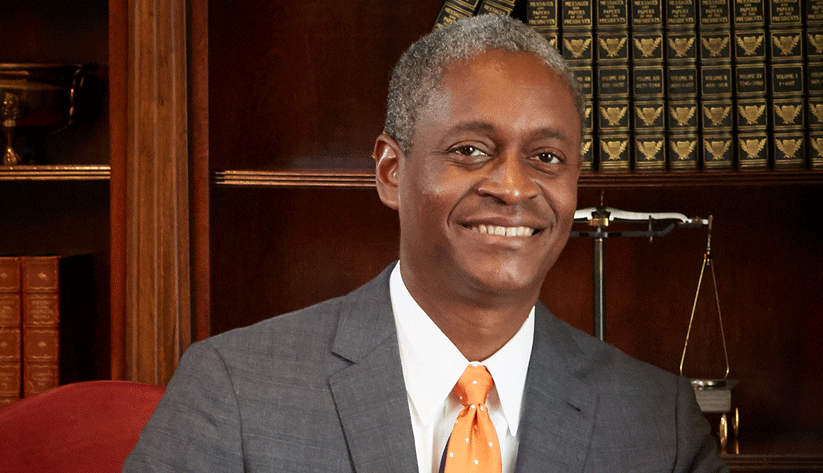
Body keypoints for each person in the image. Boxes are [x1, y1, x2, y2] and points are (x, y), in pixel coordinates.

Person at [124, 14, 727, 472]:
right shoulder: (234, 389)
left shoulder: (659, 426)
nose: (514, 188)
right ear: (391, 171)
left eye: (546, 158)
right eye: (470, 151)